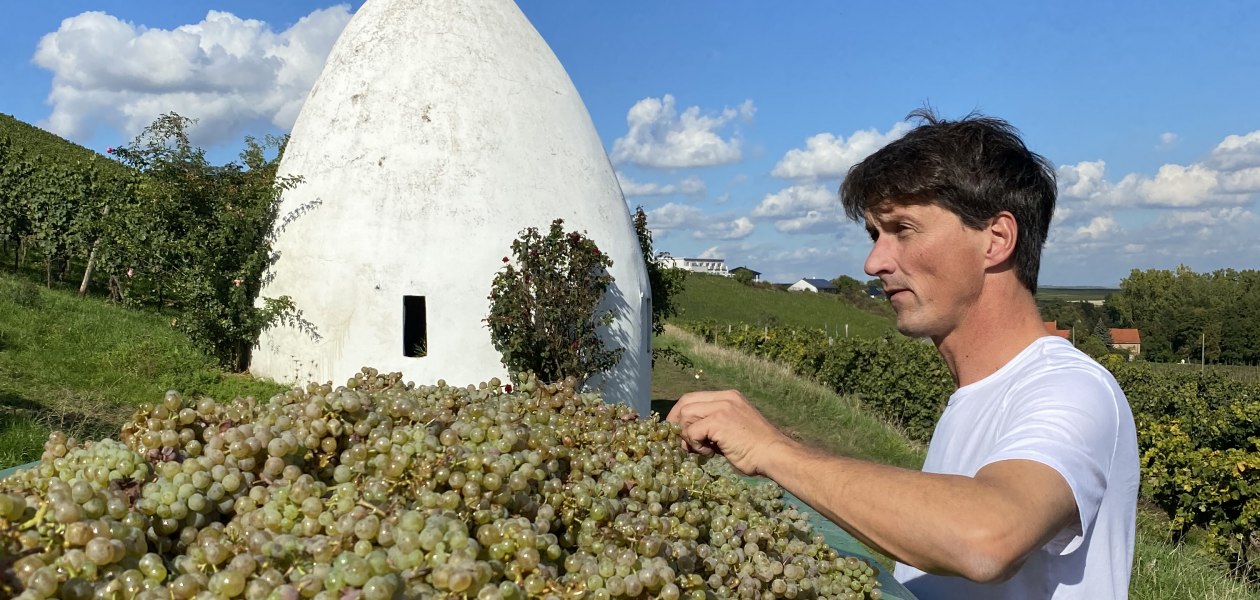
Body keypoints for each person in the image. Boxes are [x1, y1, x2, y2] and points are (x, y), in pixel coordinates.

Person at [667, 110, 1139, 599]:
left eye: (903, 229)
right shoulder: (976, 398)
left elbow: (987, 537)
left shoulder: (1072, 388)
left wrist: (772, 450)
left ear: (996, 240)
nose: (874, 262)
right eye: (875, 235)